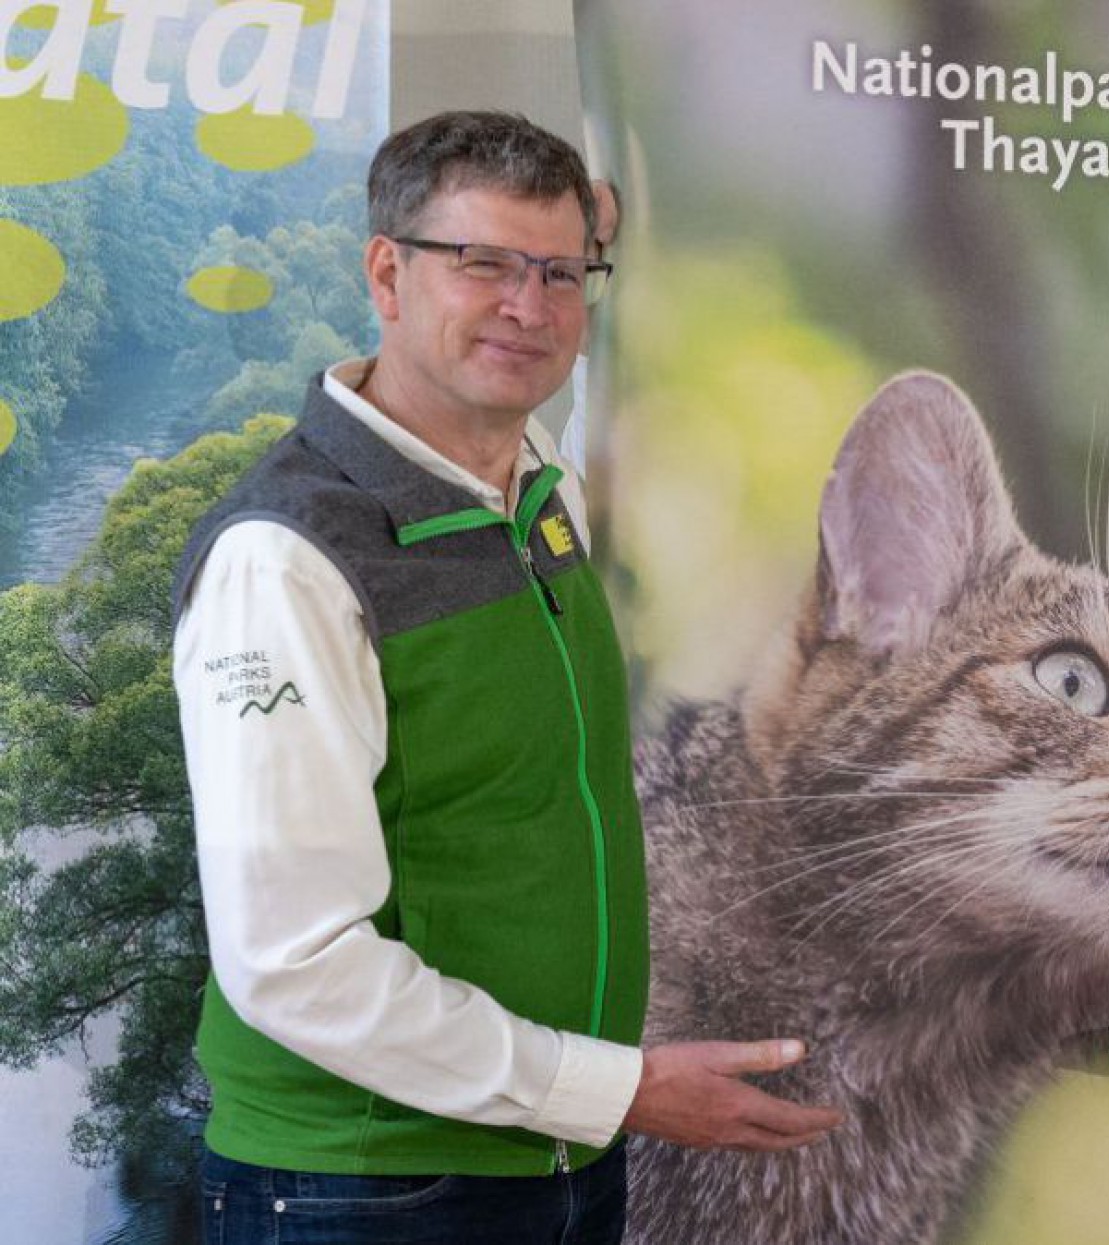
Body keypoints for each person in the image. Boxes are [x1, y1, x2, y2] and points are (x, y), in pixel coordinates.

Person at [172, 111, 841, 1244]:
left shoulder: (534, 497)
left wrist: (592, 1108)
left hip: (557, 1157)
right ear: (387, 272)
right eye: (482, 264)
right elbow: (295, 966)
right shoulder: (286, 560)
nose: (529, 309)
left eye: (561, 273)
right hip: (366, 1189)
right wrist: (615, 1090)